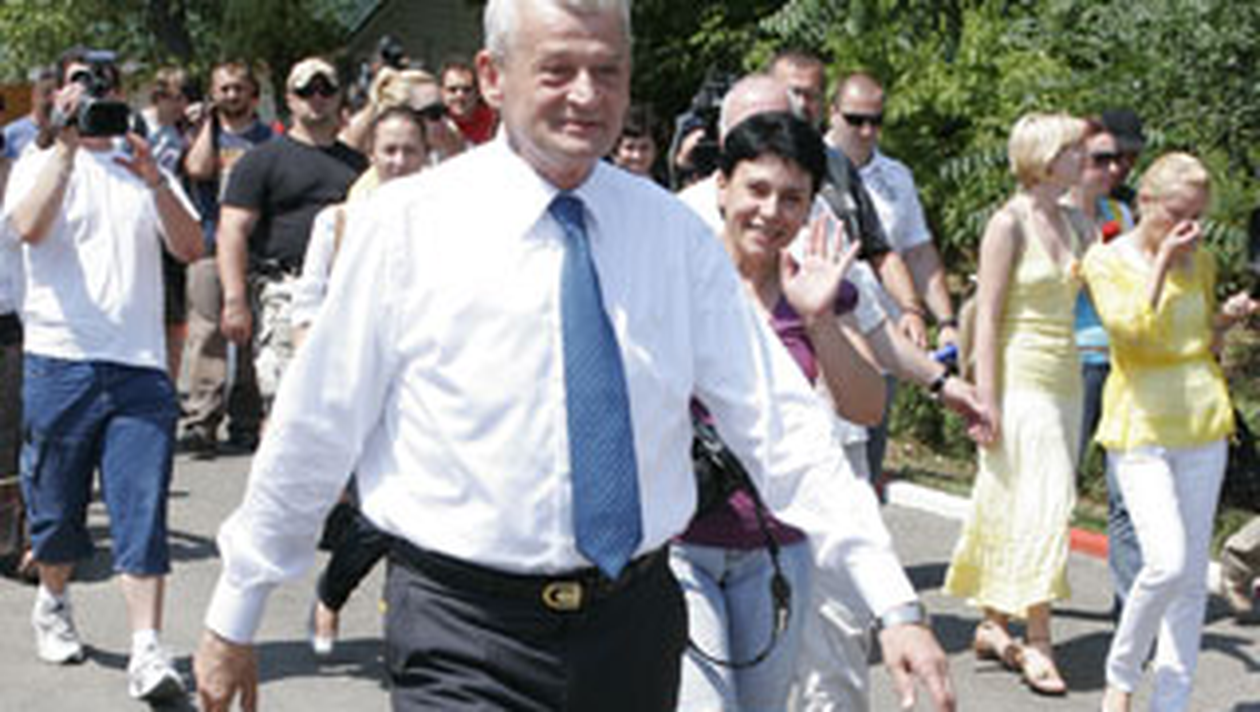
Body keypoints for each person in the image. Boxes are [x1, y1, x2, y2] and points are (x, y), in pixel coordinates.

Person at [193, 2, 957, 711]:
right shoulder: (407, 228)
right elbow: (319, 423)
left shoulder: (673, 237)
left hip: (632, 627)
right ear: (493, 76)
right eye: (557, 70)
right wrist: (236, 609)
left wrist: (893, 602)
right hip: (463, 633)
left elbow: (780, 424)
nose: (587, 95)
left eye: (608, 71)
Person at [3, 47, 203, 701]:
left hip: (139, 367)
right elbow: (28, 228)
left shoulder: (140, 164)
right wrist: (63, 146)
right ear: (54, 94)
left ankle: (148, 647)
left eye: (106, 85)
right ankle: (53, 601)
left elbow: (190, 246)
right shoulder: (36, 161)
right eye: (80, 84)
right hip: (60, 360)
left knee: (141, 505)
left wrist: (154, 179)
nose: (95, 94)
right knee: (57, 510)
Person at [673, 110, 884, 711]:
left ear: (812, 205)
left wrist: (819, 319)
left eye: (792, 198)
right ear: (722, 186)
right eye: (757, 190)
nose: (771, 211)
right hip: (680, 543)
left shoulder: (817, 287)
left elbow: (867, 406)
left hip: (777, 547)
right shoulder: (678, 274)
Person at [1085, 153, 1258, 712]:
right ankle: (1121, 677)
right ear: (1146, 202)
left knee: (1189, 577)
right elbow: (1130, 334)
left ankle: (1172, 699)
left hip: (1201, 422)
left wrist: (1224, 319)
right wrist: (1160, 262)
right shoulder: (1106, 259)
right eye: (1178, 214)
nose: (1189, 228)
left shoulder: (1200, 262)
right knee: (1164, 561)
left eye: (1198, 216)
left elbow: (1199, 340)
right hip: (1140, 423)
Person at [944, 112, 1090, 697]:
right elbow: (987, 317)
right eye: (1074, 150)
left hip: (1066, 377)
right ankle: (1040, 642)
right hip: (1019, 375)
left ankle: (992, 624)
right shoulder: (1007, 224)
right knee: (1049, 501)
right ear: (1046, 159)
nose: (1084, 159)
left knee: (1013, 499)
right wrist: (986, 398)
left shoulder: (1079, 221)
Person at [293, 105, 432, 658]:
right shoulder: (338, 221)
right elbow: (308, 305)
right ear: (370, 153)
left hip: (424, 386)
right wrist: (316, 386)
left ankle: (408, 625)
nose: (399, 161)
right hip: (357, 382)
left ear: (427, 156)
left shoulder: (452, 220)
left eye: (410, 151)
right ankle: (332, 592)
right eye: (389, 150)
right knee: (377, 509)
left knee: (419, 509)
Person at [216, 57, 367, 412]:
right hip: (284, 293)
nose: (317, 97)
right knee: (286, 403)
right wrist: (235, 300)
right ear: (289, 98)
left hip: (345, 292)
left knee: (343, 403)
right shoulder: (260, 161)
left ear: (338, 96)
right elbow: (232, 230)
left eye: (326, 89)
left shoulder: (359, 166)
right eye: (306, 90)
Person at [1066, 118, 1141, 617]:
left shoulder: (1121, 213)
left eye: (1119, 159)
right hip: (1070, 358)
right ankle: (1029, 602)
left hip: (1121, 360)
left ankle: (1132, 606)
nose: (1114, 169)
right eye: (1101, 159)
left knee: (1127, 490)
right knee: (1057, 485)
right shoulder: (1053, 214)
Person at [180, 61, 271, 458]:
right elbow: (197, 169)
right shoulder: (206, 135)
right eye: (223, 89)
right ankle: (202, 420)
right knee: (206, 334)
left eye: (238, 88)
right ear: (213, 94)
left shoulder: (268, 138)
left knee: (251, 335)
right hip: (208, 245)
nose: (231, 95)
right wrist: (209, 125)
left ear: (253, 94)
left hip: (257, 247)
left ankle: (246, 419)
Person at [827, 72, 958, 349]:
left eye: (876, 121)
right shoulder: (807, 168)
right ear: (833, 114)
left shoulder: (897, 175)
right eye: (856, 120)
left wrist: (946, 322)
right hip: (831, 333)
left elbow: (918, 251)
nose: (866, 131)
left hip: (892, 334)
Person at [440, 58, 498, 145]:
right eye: (452, 90)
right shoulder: (436, 125)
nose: (460, 95)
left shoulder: (494, 121)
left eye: (467, 90)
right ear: (442, 93)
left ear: (477, 92)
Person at [609, 103, 660, 181]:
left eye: (644, 148)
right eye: (629, 148)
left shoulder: (663, 186)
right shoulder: (598, 184)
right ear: (615, 151)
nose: (637, 156)